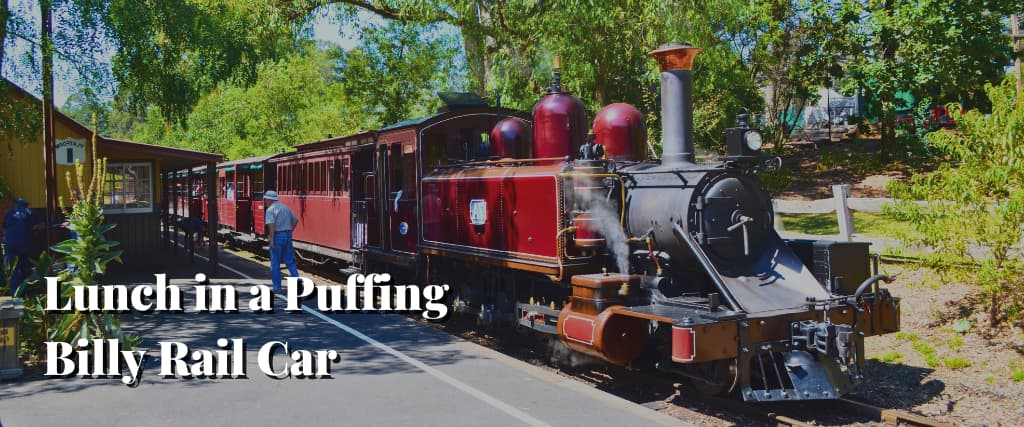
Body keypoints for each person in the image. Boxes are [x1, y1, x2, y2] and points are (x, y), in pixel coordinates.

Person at [263, 191, 298, 293]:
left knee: (275, 263)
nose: (265, 201)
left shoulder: (270, 210)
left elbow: (271, 226)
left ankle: (277, 287)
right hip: (287, 235)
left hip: (277, 236)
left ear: (270, 199)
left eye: (266, 199)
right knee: (290, 262)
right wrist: (290, 231)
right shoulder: (285, 208)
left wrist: (272, 240)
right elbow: (295, 220)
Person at [3, 198, 38, 295]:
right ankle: (26, 292)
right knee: (25, 268)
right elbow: (36, 226)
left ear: (16, 205)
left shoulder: (10, 213)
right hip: (23, 246)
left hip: (10, 245)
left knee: (14, 270)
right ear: (26, 205)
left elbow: (4, 227)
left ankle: (15, 294)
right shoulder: (30, 213)